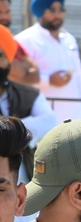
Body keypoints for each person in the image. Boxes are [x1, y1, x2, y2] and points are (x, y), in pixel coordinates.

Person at [15, 0, 81, 122]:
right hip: (44, 115)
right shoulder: (25, 40)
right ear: (40, 12)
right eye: (52, 10)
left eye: (61, 10)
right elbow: (17, 78)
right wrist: (49, 80)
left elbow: (78, 76)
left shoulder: (69, 39)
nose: (58, 15)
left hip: (76, 115)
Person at [0, 25, 59, 177]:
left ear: (9, 60)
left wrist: (11, 130)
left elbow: (50, 122)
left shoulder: (28, 94)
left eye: (0, 55)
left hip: (21, 180)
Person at [0, 0, 42, 85]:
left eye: (7, 12)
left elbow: (36, 76)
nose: (4, 17)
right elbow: (16, 73)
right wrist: (26, 70)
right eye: (0, 12)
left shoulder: (14, 42)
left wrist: (25, 74)